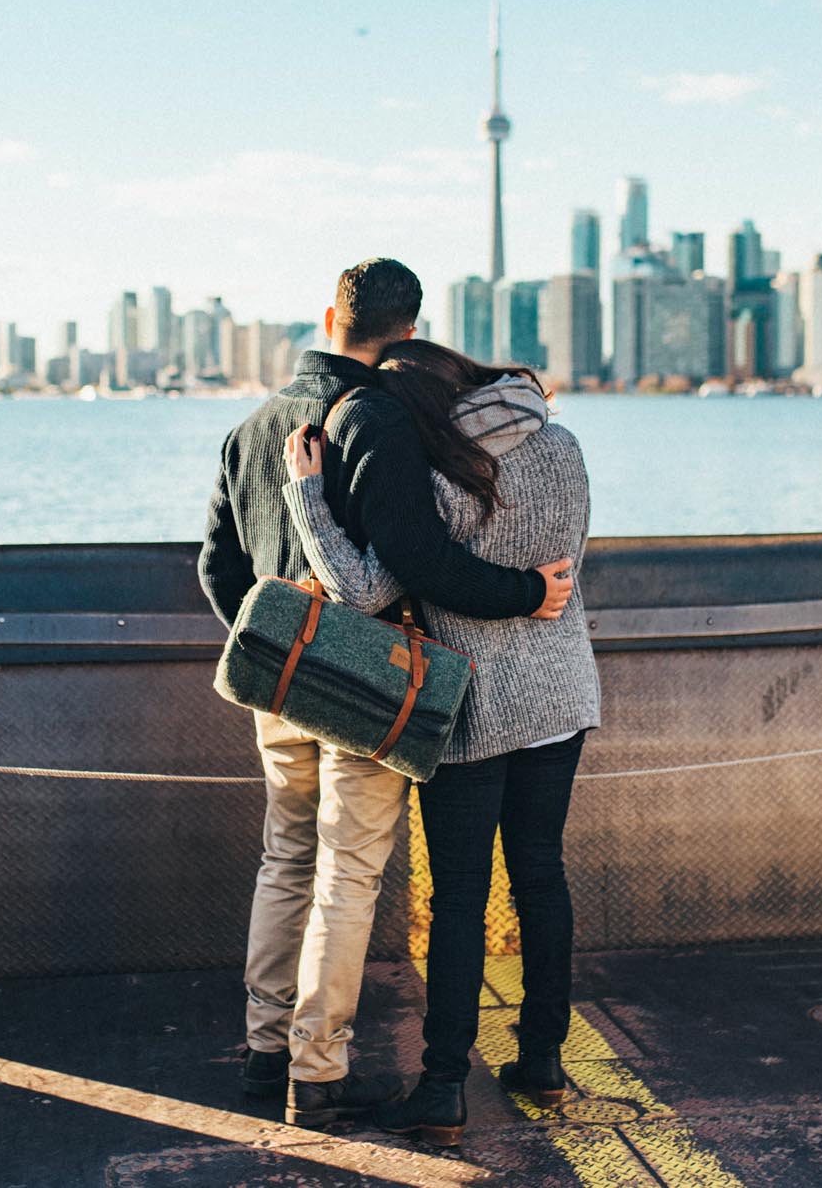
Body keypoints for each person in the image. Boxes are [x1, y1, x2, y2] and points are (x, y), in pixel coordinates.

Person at [197, 258, 576, 1131]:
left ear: (328, 315)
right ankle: (316, 1071)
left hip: (277, 690)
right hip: (365, 691)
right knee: (348, 873)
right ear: (409, 331)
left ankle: (264, 1051)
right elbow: (415, 562)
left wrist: (267, 649)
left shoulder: (251, 427)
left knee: (284, 858)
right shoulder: (374, 419)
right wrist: (526, 592)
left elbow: (219, 566)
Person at [278, 339, 598, 1149]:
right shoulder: (563, 446)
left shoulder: (439, 474)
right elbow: (564, 566)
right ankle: (544, 1058)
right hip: (562, 693)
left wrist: (309, 496)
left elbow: (365, 587)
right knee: (541, 875)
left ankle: (445, 1084)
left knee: (459, 895)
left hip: (477, 704)